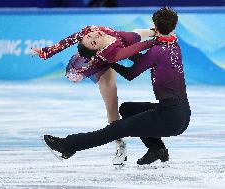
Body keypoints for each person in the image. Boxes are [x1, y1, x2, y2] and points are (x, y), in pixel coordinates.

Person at [42, 7, 191, 165]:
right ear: (173, 27)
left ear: (154, 24)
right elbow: (145, 60)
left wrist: (109, 62)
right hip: (180, 113)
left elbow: (130, 74)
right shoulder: (173, 44)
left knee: (116, 129)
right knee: (127, 109)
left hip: (169, 118)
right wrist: (115, 55)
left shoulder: (157, 50)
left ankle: (69, 145)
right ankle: (156, 148)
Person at [32, 25, 156, 166]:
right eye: (92, 41)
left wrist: (46, 52)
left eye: (91, 36)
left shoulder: (89, 30)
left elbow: (66, 42)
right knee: (112, 107)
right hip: (99, 63)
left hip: (114, 48)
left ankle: (138, 147)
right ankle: (121, 146)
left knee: (136, 40)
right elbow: (135, 51)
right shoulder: (109, 53)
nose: (95, 36)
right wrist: (156, 41)